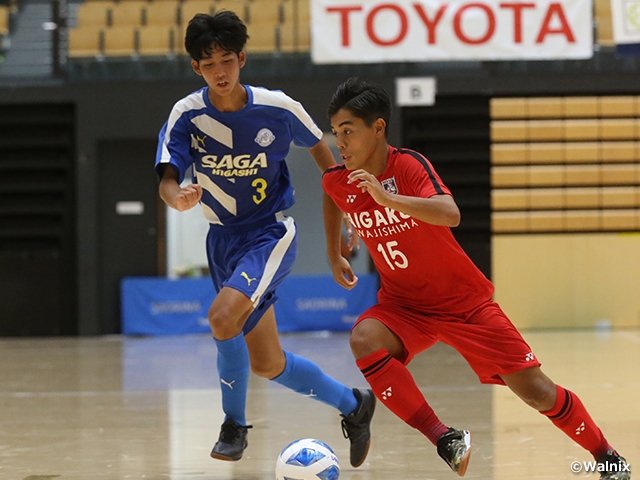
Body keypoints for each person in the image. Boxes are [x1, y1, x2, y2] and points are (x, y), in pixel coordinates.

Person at [321, 77, 631, 479]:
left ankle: (607, 456)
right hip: (405, 306)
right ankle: (444, 438)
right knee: (364, 338)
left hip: (464, 304)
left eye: (348, 131)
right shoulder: (341, 178)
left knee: (537, 392)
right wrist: (334, 255)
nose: (340, 142)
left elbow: (450, 213)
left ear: (378, 129)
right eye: (336, 133)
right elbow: (331, 195)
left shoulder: (409, 166)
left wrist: (389, 198)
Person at [154, 13, 375, 467]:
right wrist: (178, 198)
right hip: (221, 241)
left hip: (270, 233)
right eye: (209, 62)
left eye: (227, 60)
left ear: (242, 59)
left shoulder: (278, 107)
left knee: (221, 318)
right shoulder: (187, 115)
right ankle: (355, 404)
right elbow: (168, 178)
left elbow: (320, 148)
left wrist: (350, 210)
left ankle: (233, 425)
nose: (219, 70)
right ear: (196, 67)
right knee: (267, 364)